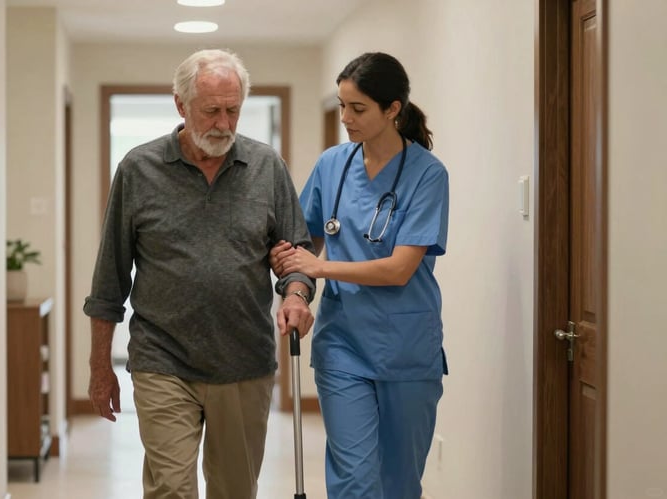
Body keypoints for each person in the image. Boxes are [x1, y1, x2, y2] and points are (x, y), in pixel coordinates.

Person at [84, 48, 316, 499]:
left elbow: (298, 252)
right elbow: (109, 278)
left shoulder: (267, 167)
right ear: (181, 105)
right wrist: (99, 367)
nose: (224, 124)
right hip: (162, 359)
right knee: (170, 488)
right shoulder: (138, 169)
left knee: (234, 490)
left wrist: (296, 295)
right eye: (211, 111)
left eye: (233, 111)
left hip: (243, 360)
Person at [270, 52, 449, 499]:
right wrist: (295, 288)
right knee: (353, 480)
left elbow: (400, 268)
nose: (345, 117)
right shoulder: (334, 165)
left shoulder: (427, 175)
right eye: (342, 105)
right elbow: (301, 242)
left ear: (393, 110)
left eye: (358, 108)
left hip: (407, 350)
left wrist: (319, 266)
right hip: (343, 346)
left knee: (399, 483)